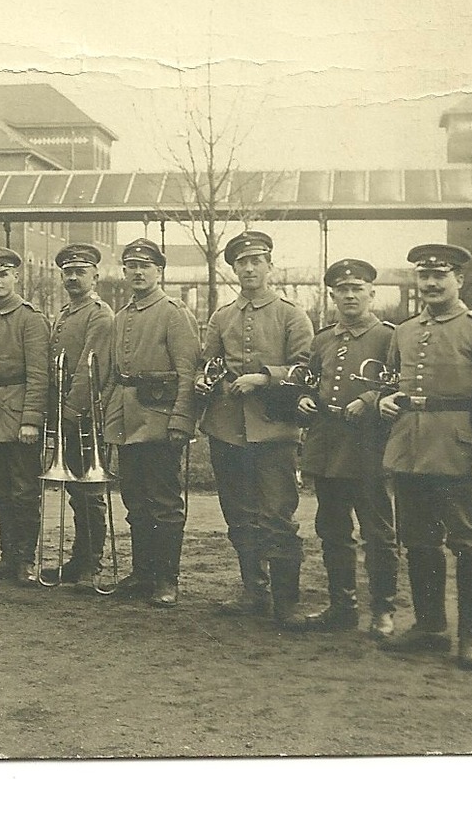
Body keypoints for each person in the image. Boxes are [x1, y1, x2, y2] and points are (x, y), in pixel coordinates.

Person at [378, 243, 472, 671]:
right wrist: (387, 400)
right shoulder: (403, 330)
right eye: (425, 276)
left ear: (459, 280)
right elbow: (390, 382)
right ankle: (429, 626)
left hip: (460, 450)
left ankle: (471, 637)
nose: (432, 283)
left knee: (469, 543)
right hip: (411, 449)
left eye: (442, 275)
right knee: (419, 540)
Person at [199, 230, 314, 627]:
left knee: (277, 515)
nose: (249, 269)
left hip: (274, 430)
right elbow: (209, 362)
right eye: (241, 263)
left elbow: (306, 369)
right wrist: (206, 378)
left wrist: (264, 379)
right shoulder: (222, 316)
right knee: (238, 514)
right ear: (233, 269)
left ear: (270, 266)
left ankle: (286, 602)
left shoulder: (291, 314)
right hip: (227, 428)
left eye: (256, 261)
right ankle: (253, 591)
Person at [294, 258, 400, 637]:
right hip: (328, 445)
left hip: (368, 448)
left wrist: (371, 399)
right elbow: (310, 379)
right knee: (333, 530)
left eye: (358, 288)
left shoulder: (390, 336)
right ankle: (342, 606)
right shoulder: (322, 339)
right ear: (333, 294)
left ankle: (383, 611)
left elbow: (401, 385)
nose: (350, 295)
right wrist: (304, 398)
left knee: (378, 533)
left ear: (372, 293)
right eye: (343, 289)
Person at [103, 238, 200, 608]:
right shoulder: (121, 315)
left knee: (164, 502)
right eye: (131, 266)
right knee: (135, 501)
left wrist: (181, 419)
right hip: (127, 421)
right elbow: (115, 374)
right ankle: (142, 572)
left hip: (160, 420)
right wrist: (108, 418)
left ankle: (166, 579)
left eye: (145, 266)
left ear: (159, 271)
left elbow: (187, 370)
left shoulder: (174, 312)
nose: (138, 273)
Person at [0, 246, 50, 586]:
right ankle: (7, 557)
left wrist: (31, 418)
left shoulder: (30, 319)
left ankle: (26, 561)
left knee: (24, 490)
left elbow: (39, 374)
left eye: (3, 275)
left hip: (18, 415)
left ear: (16, 277)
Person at [41, 243, 115, 587]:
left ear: (95, 276)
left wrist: (70, 412)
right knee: (76, 490)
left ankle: (92, 564)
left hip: (85, 415)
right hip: (65, 411)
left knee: (89, 490)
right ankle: (79, 558)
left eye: (79, 272)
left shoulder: (98, 314)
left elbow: (90, 369)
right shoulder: (68, 313)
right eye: (67, 272)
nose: (72, 277)